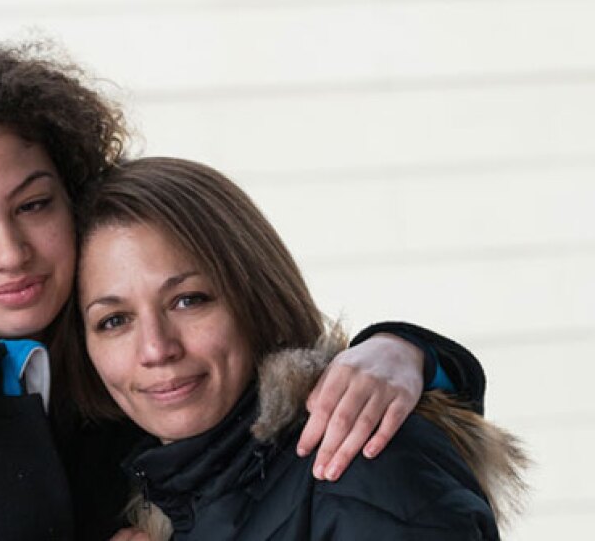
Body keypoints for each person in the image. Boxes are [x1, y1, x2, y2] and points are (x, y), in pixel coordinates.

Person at [0, 32, 488, 539]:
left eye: (34, 205)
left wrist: (408, 350)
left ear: (71, 195)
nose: (10, 253)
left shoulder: (117, 381)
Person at [74, 157, 528, 540]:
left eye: (189, 300)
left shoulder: (360, 462)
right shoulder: (153, 494)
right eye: (114, 321)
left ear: (256, 297)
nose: (156, 348)